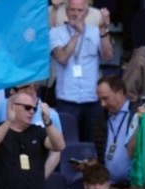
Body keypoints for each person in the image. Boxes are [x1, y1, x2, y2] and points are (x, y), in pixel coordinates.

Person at [50, 0, 113, 142]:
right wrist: (77, 35)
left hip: (91, 98)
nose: (76, 14)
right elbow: (62, 58)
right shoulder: (56, 33)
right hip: (67, 99)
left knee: (91, 145)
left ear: (86, 13)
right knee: (67, 144)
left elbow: (108, 56)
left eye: (80, 10)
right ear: (66, 12)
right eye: (72, 10)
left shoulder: (95, 32)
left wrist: (104, 31)